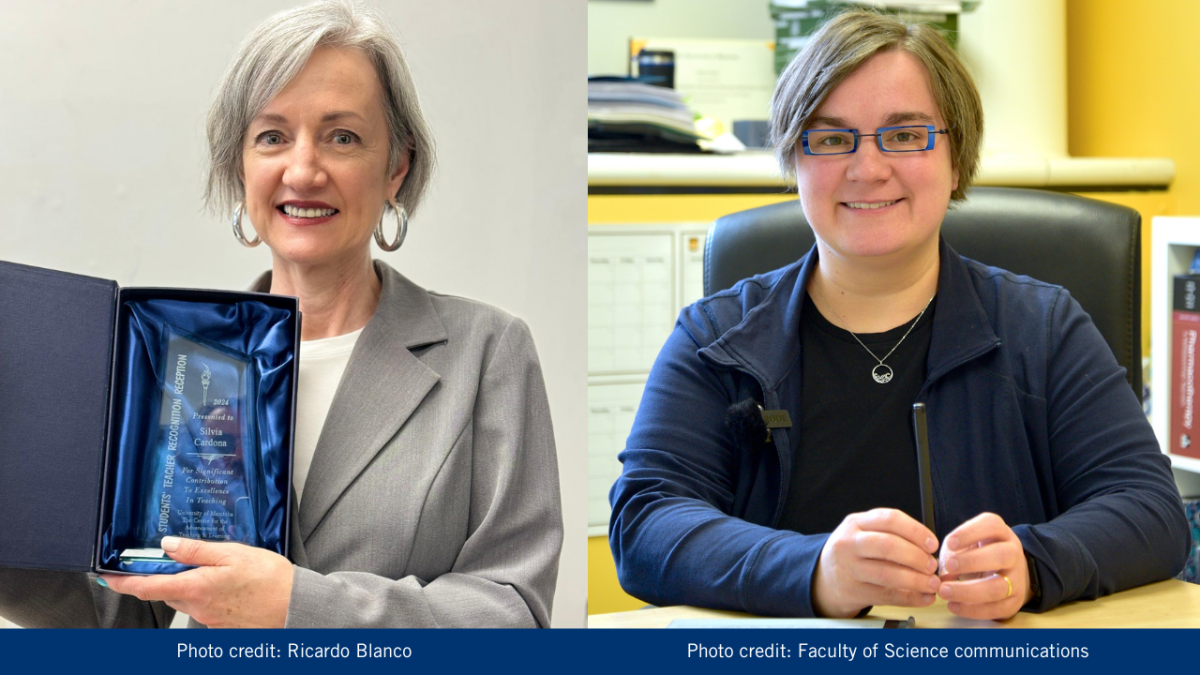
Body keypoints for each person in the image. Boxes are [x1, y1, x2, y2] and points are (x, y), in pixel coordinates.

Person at [608, 10, 1188, 621]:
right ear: (794, 162)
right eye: (832, 139)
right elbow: (647, 519)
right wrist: (814, 572)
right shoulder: (715, 338)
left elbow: (1150, 510)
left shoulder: (1045, 329)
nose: (868, 168)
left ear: (956, 157)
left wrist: (1034, 562)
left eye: (906, 135)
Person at [0, 0, 562, 628]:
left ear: (395, 167)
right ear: (239, 167)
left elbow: (513, 612)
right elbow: (132, 615)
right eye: (272, 137)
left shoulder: (488, 353)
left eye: (341, 136)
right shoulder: (173, 360)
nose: (303, 170)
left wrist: (297, 605)